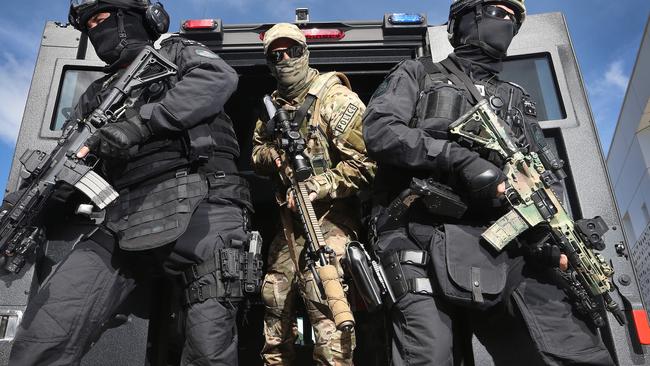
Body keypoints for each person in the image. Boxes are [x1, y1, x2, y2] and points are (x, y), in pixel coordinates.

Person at [362, 0, 614, 365]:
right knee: (429, 355)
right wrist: (456, 158)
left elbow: (545, 175)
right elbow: (380, 131)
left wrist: (553, 237)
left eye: (513, 19)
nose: (505, 22)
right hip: (419, 230)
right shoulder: (418, 73)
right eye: (496, 12)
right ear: (464, 19)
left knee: (574, 348)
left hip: (502, 241)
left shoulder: (517, 100)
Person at [9, 1, 254, 365]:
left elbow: (217, 78)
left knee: (208, 348)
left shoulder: (175, 51)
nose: (96, 28)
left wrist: (140, 123)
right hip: (122, 217)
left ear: (136, 18)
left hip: (204, 203)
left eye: (102, 17)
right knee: (46, 331)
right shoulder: (95, 95)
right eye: (89, 24)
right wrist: (36, 197)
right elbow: (75, 161)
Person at [251, 23, 376, 366]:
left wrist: (319, 185)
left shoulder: (336, 100)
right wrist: (273, 157)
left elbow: (367, 166)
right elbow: (257, 152)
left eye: (292, 50)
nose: (285, 59)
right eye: (277, 54)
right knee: (273, 297)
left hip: (332, 217)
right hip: (290, 221)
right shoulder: (271, 109)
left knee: (326, 297)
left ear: (305, 53)